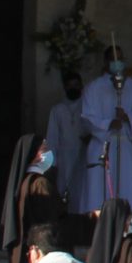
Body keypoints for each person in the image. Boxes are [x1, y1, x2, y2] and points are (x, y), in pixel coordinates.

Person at [79, 47, 132, 216]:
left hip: (124, 143)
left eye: (120, 58)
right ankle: (98, 222)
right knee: (100, 187)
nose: (117, 62)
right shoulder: (93, 88)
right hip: (102, 143)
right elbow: (87, 117)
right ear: (106, 61)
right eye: (112, 58)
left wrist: (126, 117)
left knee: (126, 185)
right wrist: (109, 122)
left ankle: (128, 223)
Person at [40, 72, 89, 208]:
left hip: (83, 155)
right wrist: (51, 164)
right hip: (64, 158)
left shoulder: (87, 107)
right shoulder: (57, 110)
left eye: (76, 85)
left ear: (81, 86)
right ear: (65, 88)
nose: (73, 88)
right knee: (63, 192)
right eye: (70, 86)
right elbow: (52, 138)